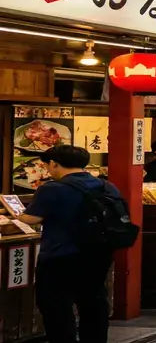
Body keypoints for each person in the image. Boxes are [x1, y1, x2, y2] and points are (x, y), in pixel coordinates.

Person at [19, 145, 121, 342]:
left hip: (60, 255)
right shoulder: (107, 186)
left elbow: (31, 219)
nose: (47, 169)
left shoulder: (52, 188)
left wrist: (16, 214)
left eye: (47, 164)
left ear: (54, 163)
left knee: (56, 306)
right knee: (93, 303)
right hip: (97, 255)